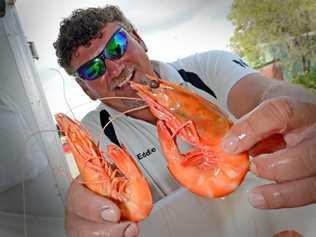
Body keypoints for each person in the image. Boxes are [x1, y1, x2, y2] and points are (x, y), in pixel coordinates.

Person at [53, 5, 316, 237]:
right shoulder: (95, 131)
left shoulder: (208, 67)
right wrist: (91, 214)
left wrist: (301, 108)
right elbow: (98, 194)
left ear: (138, 38)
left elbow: (264, 92)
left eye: (116, 46)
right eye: (92, 69)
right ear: (86, 89)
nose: (114, 68)